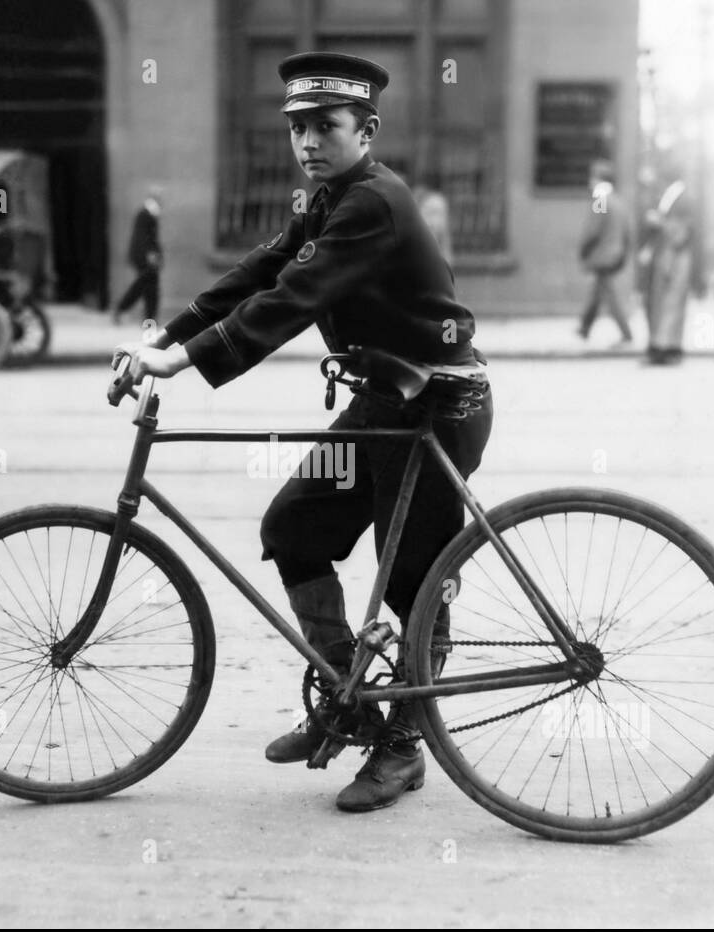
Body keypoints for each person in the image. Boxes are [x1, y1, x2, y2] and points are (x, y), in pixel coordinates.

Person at [110, 52, 493, 813]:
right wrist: (164, 338)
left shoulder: (372, 203)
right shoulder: (329, 200)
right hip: (384, 402)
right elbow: (255, 274)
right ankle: (350, 701)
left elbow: (292, 298)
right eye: (298, 128)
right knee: (293, 526)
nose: (309, 141)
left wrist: (185, 360)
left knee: (411, 580)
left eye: (326, 126)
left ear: (367, 130)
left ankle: (404, 746)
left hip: (435, 407)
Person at [576, 159, 632, 344]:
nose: (590, 181)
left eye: (593, 177)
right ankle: (585, 326)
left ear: (599, 179)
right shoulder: (617, 200)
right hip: (615, 253)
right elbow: (627, 232)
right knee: (599, 290)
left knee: (608, 293)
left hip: (603, 254)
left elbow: (594, 229)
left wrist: (583, 248)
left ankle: (626, 333)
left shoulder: (600, 198)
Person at [644, 179, 694, 365]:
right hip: (665, 255)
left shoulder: (600, 197)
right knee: (662, 303)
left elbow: (598, 217)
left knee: (666, 302)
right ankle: (664, 345)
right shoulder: (672, 195)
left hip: (601, 254)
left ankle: (662, 345)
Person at [112, 186, 163, 325]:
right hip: (146, 258)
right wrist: (151, 255)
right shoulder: (146, 214)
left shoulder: (149, 213)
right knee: (144, 287)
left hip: (146, 257)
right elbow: (143, 238)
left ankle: (148, 318)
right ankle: (123, 309)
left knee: (147, 288)